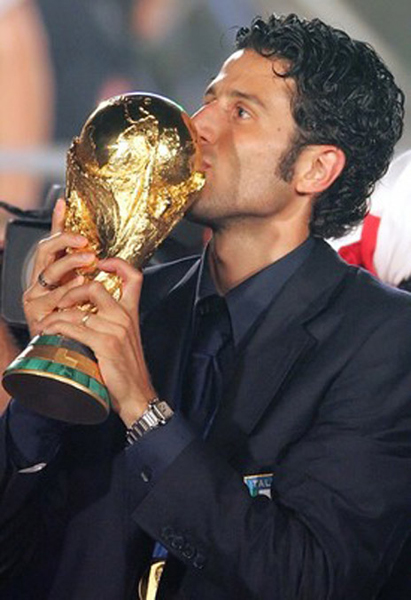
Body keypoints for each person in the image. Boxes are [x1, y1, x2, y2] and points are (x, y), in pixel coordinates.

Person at [1, 12, 411, 600]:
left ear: (315, 168)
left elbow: (309, 576)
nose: (198, 126)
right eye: (208, 99)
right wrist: (51, 375)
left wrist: (144, 410)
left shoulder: (384, 342)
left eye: (240, 112)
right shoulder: (133, 310)